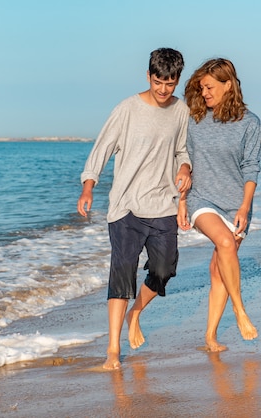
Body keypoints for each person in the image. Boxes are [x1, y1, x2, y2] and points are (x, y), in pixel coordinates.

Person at [77, 48, 191, 370]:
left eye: (170, 83)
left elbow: (183, 150)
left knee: (165, 269)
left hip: (163, 205)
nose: (163, 90)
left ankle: (135, 312)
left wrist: (185, 168)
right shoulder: (127, 109)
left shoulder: (181, 111)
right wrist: (89, 185)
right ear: (148, 76)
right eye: (158, 82)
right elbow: (103, 147)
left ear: (177, 80)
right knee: (122, 274)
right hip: (126, 206)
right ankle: (113, 349)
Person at [178, 58, 261, 352]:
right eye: (201, 88)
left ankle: (210, 337)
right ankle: (240, 310)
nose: (205, 93)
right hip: (202, 198)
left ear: (229, 85)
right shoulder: (195, 119)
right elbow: (183, 157)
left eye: (210, 87)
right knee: (225, 244)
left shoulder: (250, 123)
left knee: (219, 271)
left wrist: (243, 208)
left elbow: (251, 168)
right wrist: (183, 199)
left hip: (236, 204)